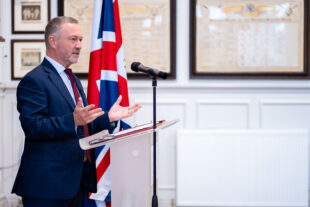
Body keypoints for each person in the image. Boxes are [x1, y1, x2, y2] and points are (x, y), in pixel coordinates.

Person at [11, 16, 141, 207]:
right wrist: (72, 120)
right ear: (52, 41)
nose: (79, 45)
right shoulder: (34, 80)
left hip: (76, 181)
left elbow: (82, 126)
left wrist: (108, 118)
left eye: (80, 39)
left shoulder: (73, 80)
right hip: (47, 185)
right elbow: (33, 127)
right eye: (73, 39)